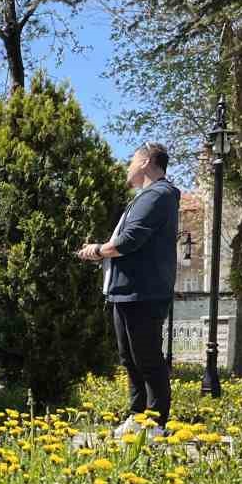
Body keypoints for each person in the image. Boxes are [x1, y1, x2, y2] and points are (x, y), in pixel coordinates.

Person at [77, 141, 181, 435]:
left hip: (143, 292)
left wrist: (97, 250)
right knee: (131, 359)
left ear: (146, 161)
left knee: (147, 357)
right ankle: (137, 417)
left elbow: (129, 240)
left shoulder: (158, 195)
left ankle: (155, 422)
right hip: (126, 291)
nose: (128, 167)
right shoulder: (146, 197)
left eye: (132, 160)